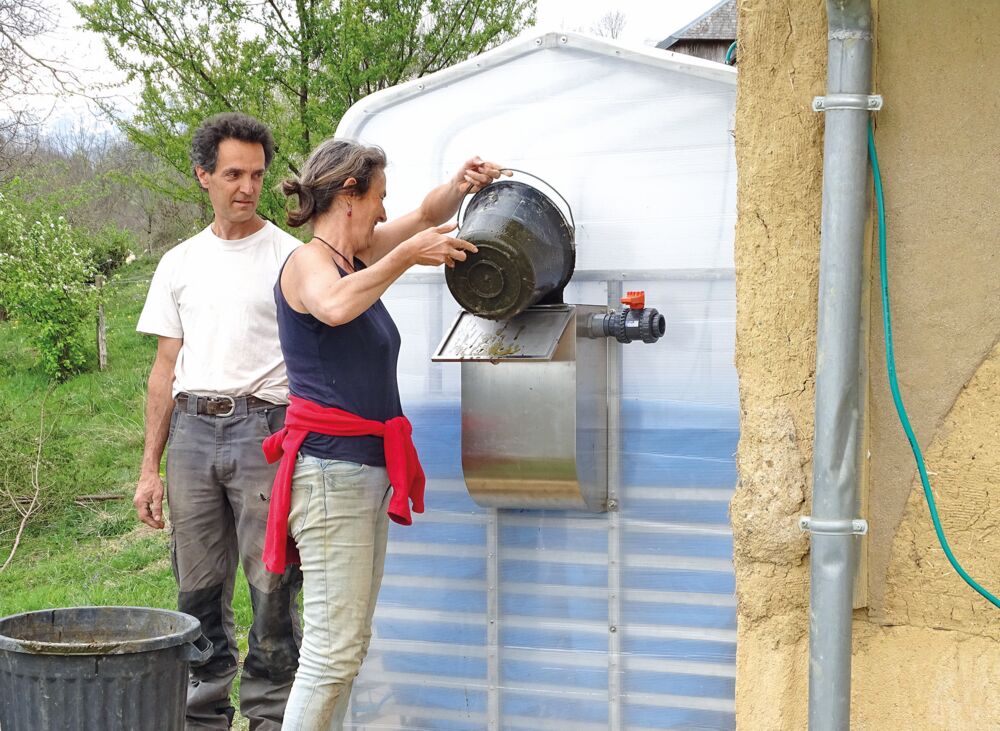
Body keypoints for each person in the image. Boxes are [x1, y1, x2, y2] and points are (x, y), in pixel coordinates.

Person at [260, 138, 506, 729]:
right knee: (331, 653)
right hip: (329, 474)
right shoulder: (310, 264)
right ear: (349, 194)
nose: (381, 212)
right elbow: (335, 308)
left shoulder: (358, 256)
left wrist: (460, 186)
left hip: (359, 472)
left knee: (348, 647)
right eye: (377, 198)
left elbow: (425, 218)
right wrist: (403, 259)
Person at [134, 112, 303, 730]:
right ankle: (204, 715)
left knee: (274, 586)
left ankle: (273, 717)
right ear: (203, 175)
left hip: (269, 431)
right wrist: (149, 469)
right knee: (197, 589)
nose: (248, 187)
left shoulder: (292, 258)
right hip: (191, 432)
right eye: (233, 173)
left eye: (257, 174)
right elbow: (163, 368)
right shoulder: (179, 262)